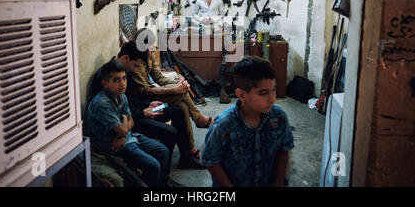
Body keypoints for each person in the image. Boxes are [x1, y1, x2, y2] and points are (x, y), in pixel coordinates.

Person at [200, 56, 294, 187]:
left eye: (273, 90)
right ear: (242, 95)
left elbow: (283, 151)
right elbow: (210, 161)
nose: (272, 99)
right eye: (263, 93)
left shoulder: (279, 117)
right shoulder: (223, 126)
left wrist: (277, 183)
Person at [127, 28, 213, 167]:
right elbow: (144, 91)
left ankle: (189, 153)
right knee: (181, 93)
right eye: (149, 48)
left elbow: (159, 77)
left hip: (151, 94)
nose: (152, 51)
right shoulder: (136, 60)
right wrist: (175, 89)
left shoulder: (148, 55)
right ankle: (199, 120)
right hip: (145, 103)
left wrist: (177, 83)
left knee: (182, 104)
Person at [86, 60, 169, 187]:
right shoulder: (101, 103)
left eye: (124, 78)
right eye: (116, 80)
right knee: (153, 165)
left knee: (163, 151)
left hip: (127, 138)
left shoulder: (121, 96)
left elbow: (131, 122)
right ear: (105, 84)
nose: (122, 83)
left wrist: (122, 132)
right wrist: (124, 125)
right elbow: (125, 126)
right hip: (111, 146)